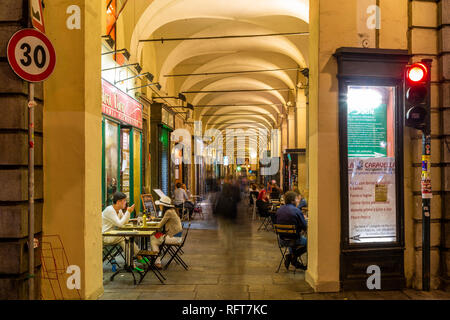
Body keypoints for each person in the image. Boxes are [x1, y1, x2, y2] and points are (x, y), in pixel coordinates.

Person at [102, 192, 147, 271]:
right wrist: (128, 212)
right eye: (124, 201)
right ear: (118, 202)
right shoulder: (110, 210)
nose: (126, 203)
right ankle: (137, 257)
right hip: (104, 236)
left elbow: (124, 222)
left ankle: (132, 263)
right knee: (125, 237)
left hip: (111, 234)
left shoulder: (118, 210)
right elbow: (120, 224)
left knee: (126, 239)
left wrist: (128, 214)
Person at [275, 191, 307, 270]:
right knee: (310, 243)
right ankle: (292, 257)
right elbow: (304, 226)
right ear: (293, 201)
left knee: (292, 238)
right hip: (294, 240)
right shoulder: (296, 211)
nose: (298, 201)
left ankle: (293, 258)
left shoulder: (279, 210)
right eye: (296, 199)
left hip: (282, 240)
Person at [150, 195, 183, 269]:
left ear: (164, 205)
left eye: (160, 205)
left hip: (174, 238)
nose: (160, 207)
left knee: (153, 239)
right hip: (177, 236)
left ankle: (157, 262)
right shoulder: (172, 210)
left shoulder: (168, 212)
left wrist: (152, 224)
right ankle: (156, 259)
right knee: (156, 236)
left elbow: (159, 226)